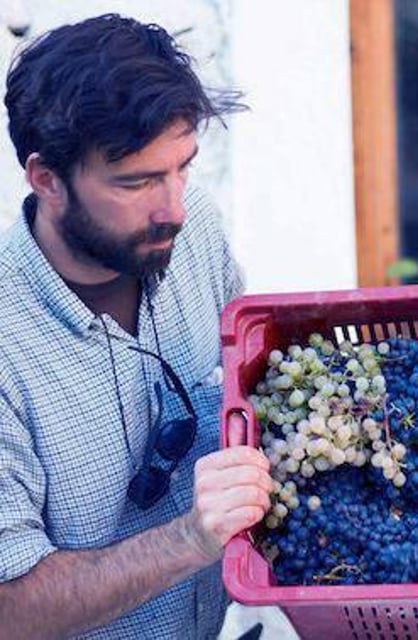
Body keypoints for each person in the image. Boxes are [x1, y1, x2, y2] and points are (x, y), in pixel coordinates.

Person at [0, 14, 272, 638]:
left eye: (183, 167)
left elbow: (256, 379)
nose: (173, 208)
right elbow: (8, 608)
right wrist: (189, 538)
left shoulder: (192, 226)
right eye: (138, 182)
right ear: (47, 179)